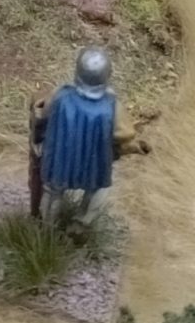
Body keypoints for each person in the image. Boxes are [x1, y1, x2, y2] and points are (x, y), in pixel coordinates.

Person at [28, 47, 148, 221]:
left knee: (53, 191)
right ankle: (81, 223)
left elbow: (44, 112)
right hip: (93, 161)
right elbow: (126, 133)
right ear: (106, 75)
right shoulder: (111, 105)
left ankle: (47, 226)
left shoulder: (61, 95)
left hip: (62, 157)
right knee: (97, 189)